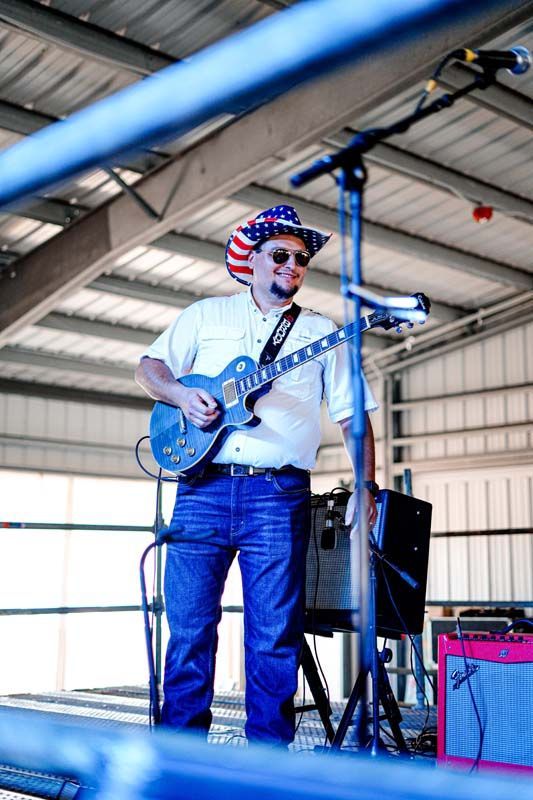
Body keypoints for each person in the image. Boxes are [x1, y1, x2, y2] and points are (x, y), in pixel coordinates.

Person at [135, 205, 378, 746]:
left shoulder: (321, 331)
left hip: (278, 494)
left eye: (301, 258)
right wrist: (179, 395)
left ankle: (268, 761)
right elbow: (149, 368)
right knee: (190, 630)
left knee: (274, 636)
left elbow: (351, 414)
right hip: (201, 489)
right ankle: (181, 757)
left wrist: (364, 482)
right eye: (281, 255)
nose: (293, 265)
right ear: (251, 261)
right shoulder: (206, 316)